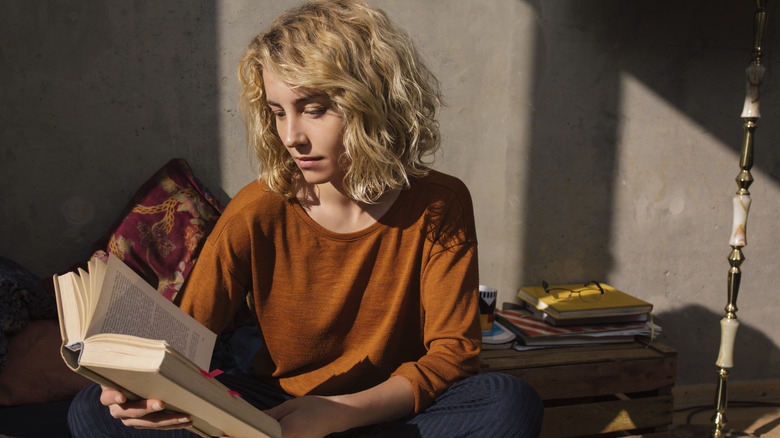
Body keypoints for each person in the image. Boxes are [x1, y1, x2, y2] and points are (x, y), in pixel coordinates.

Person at [67, 1, 544, 437]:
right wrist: (139, 393)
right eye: (277, 112)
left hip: (390, 410)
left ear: (372, 103)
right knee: (91, 410)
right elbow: (183, 341)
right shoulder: (258, 209)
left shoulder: (441, 204)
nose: (291, 136)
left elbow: (454, 355)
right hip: (280, 411)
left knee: (507, 402)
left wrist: (343, 412)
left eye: (313, 110)